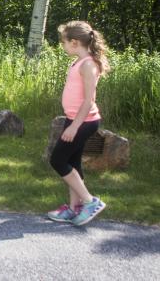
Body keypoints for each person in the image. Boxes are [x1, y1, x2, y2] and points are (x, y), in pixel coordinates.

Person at [46, 21, 111, 226]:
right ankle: (74, 209)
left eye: (64, 42)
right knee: (72, 163)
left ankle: (90, 202)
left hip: (84, 122)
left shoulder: (89, 65)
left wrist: (74, 127)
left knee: (58, 160)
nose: (62, 46)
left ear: (74, 42)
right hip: (74, 119)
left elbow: (89, 99)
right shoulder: (78, 62)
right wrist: (71, 122)